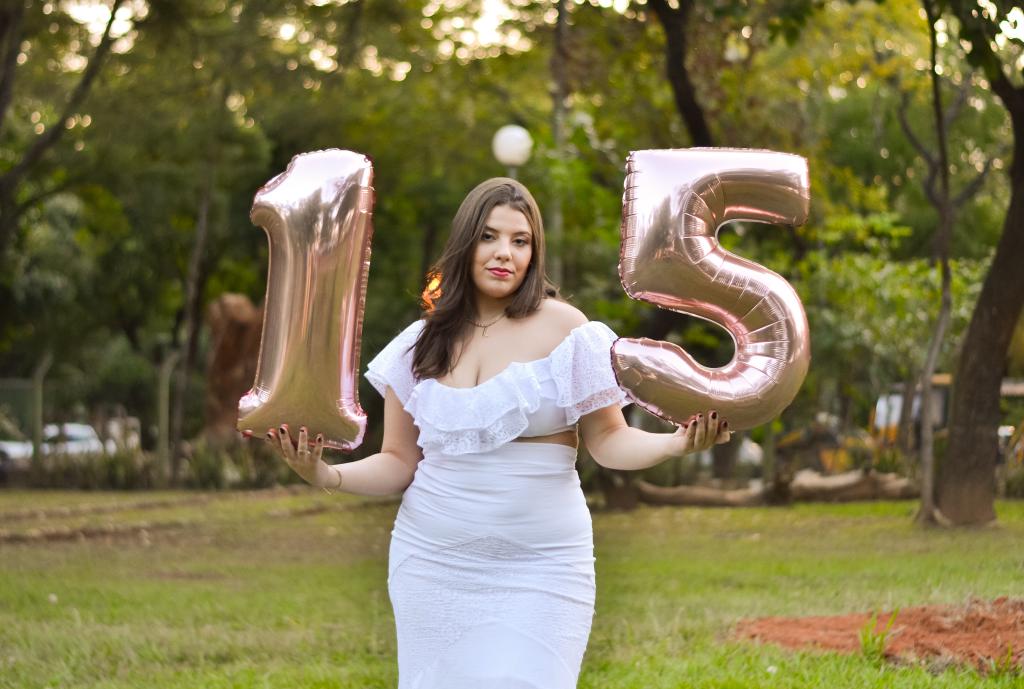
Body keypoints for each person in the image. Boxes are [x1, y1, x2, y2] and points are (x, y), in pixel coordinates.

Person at [264, 178, 730, 688]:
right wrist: (326, 474)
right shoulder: (421, 343)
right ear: (465, 244)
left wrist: (676, 443)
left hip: (543, 562)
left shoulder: (568, 329)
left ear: (534, 252)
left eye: (520, 240)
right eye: (488, 236)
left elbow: (609, 441)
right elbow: (398, 462)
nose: (504, 252)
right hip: (433, 561)